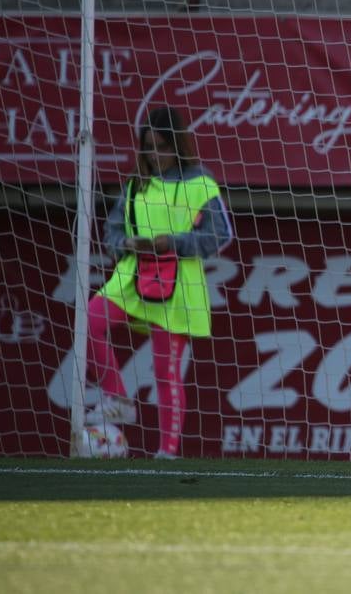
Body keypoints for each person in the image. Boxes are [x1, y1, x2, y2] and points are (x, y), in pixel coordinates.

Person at [85, 106, 233, 459]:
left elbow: (219, 234)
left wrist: (173, 243)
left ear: (178, 145)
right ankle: (117, 397)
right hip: (133, 275)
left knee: (166, 372)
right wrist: (125, 245)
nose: (155, 155)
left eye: (162, 147)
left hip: (177, 283)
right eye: (149, 147)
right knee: (89, 321)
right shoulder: (137, 183)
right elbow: (113, 230)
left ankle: (167, 452)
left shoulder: (200, 181)